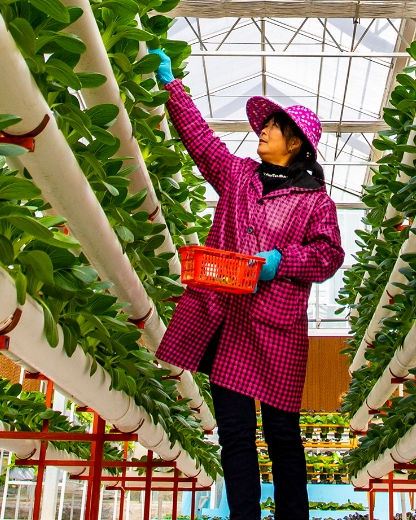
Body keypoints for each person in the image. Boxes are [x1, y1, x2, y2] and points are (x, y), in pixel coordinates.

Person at [147, 49, 343, 520]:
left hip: (277, 328)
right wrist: (172, 86)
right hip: (229, 321)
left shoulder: (316, 201)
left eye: (273, 127)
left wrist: (281, 260)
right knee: (234, 432)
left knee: (281, 434)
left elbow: (329, 255)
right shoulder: (238, 176)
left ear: (295, 143)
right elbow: (201, 143)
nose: (263, 131)